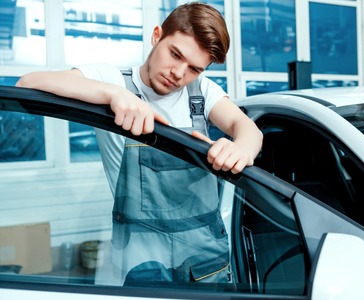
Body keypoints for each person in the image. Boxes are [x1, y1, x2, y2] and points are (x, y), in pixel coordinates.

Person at [17, 2, 262, 286]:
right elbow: (28, 83)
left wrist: (240, 148)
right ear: (156, 35)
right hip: (143, 261)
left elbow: (248, 130)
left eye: (194, 68)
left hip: (205, 259)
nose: (179, 73)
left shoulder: (202, 92)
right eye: (175, 54)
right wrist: (112, 96)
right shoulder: (111, 80)